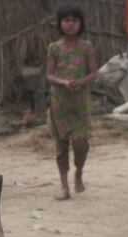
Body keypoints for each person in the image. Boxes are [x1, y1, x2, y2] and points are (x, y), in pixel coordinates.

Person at [46, 4, 97, 200]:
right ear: (60, 23)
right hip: (59, 102)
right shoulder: (54, 48)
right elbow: (49, 75)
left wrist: (80, 82)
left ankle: (79, 172)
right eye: (66, 20)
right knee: (60, 147)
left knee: (81, 144)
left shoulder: (87, 47)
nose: (70, 24)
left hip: (80, 103)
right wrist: (63, 82)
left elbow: (93, 73)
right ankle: (64, 186)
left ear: (80, 23)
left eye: (74, 20)